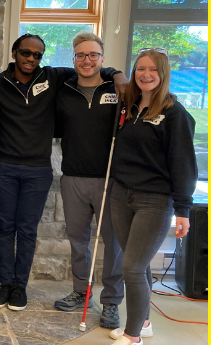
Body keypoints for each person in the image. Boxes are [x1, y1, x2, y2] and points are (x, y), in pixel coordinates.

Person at [0, 34, 126, 312]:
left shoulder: (53, 76)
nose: (31, 59)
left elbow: (90, 66)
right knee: (5, 229)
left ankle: (19, 287)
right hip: (4, 167)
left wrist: (117, 75)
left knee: (26, 230)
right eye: (26, 53)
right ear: (14, 53)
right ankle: (4, 285)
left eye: (37, 55)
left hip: (38, 170)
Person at [102, 49, 197, 345]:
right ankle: (142, 323)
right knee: (135, 262)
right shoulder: (129, 107)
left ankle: (132, 339)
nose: (145, 74)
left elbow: (183, 163)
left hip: (154, 200)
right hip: (121, 194)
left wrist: (183, 208)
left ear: (163, 73)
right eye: (140, 68)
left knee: (132, 266)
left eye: (152, 70)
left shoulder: (175, 114)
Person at [52, 32, 126, 329]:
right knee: (78, 240)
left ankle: (111, 302)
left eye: (93, 55)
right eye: (81, 55)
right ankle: (82, 292)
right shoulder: (65, 90)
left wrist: (117, 74)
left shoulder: (118, 89)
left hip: (109, 179)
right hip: (73, 177)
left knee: (112, 243)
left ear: (102, 58)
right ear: (74, 59)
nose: (87, 60)